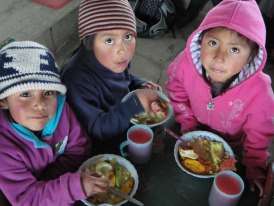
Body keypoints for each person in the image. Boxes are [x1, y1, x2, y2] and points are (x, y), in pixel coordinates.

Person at [166, 0, 274, 197]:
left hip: (233, 147)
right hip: (190, 131)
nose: (219, 58)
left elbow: (259, 135)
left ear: (252, 56)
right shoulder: (184, 64)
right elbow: (176, 90)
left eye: (234, 50)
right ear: (200, 40)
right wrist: (188, 123)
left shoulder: (261, 92)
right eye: (213, 43)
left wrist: (254, 167)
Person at [0, 41, 108, 206]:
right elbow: (26, 199)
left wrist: (56, 182)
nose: (40, 104)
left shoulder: (61, 110)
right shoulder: (4, 148)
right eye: (26, 94)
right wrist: (70, 188)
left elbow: (80, 147)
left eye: (48, 92)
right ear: (4, 101)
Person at [62, 0, 160, 154]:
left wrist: (140, 85)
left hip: (121, 116)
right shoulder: (75, 80)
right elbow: (97, 129)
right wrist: (135, 103)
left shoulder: (112, 58)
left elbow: (125, 79)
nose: (122, 50)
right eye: (109, 40)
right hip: (101, 144)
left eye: (128, 36)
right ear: (89, 42)